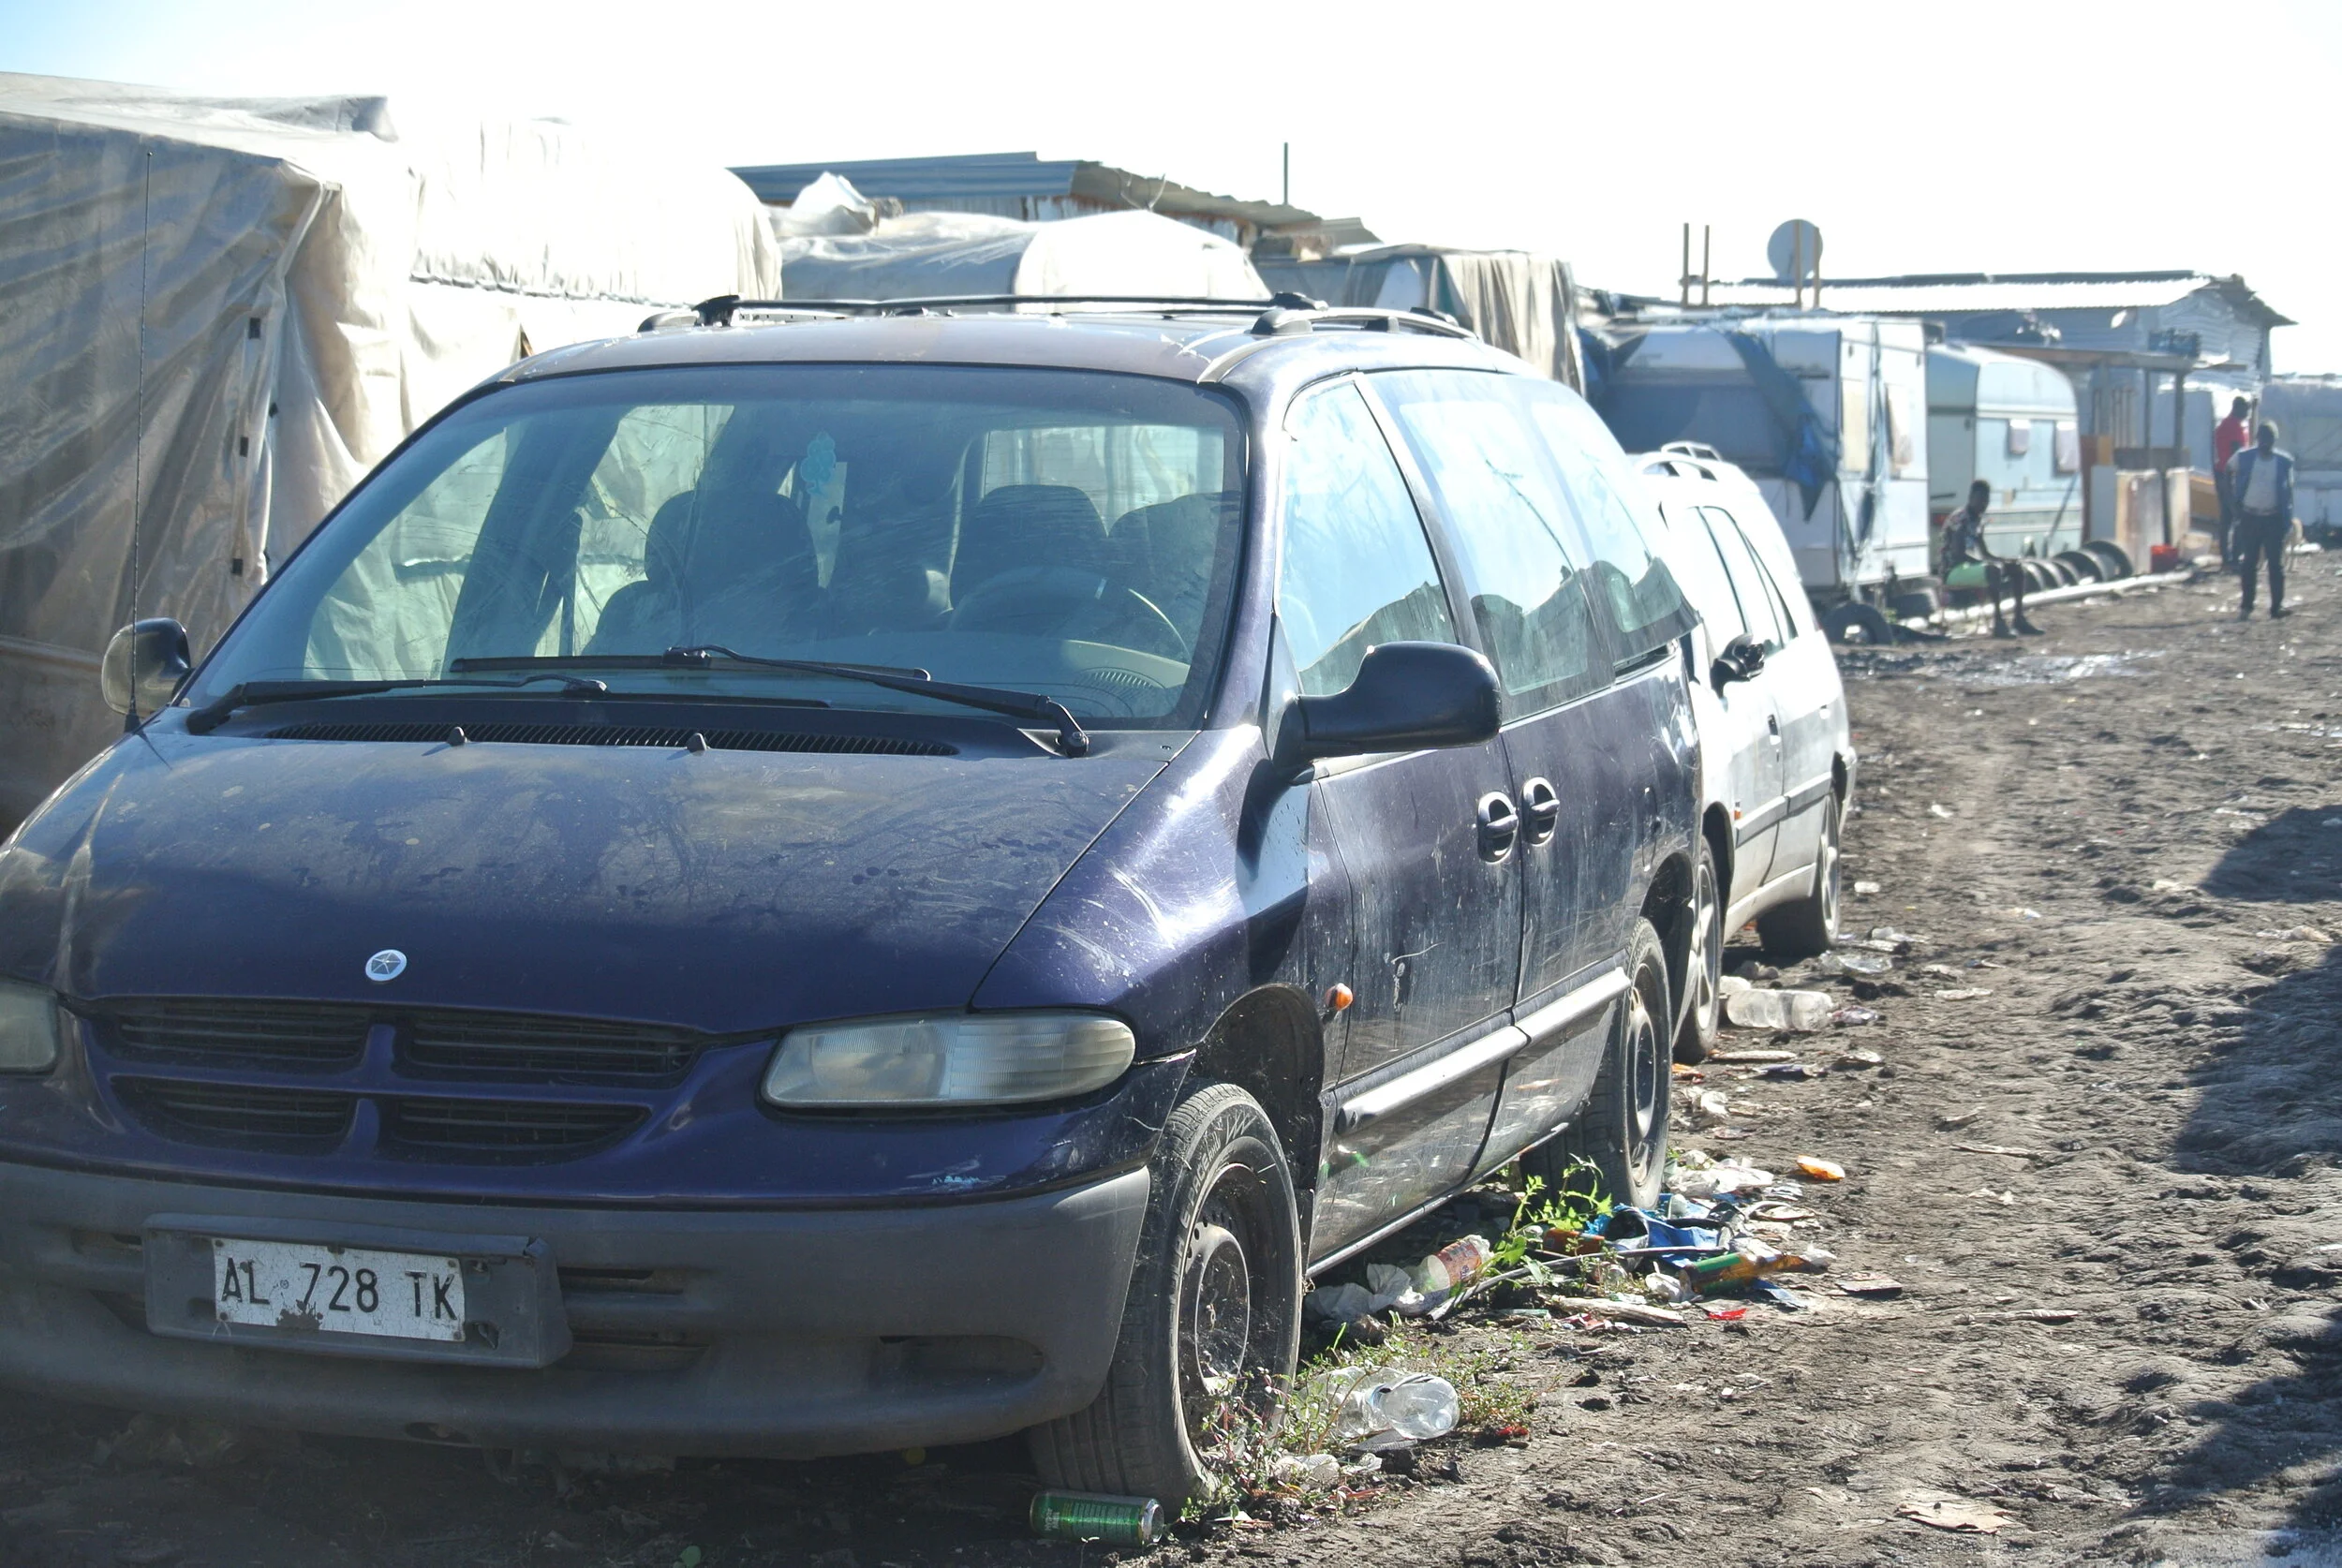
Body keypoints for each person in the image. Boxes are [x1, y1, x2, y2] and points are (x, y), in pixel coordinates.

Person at [1941, 479, 2039, 637]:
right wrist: (1987, 563)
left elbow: (1985, 553)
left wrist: (2004, 561)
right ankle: (1998, 622)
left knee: (2016, 569)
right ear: (1971, 498)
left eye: (1986, 500)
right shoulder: (1960, 519)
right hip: (1953, 571)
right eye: (1980, 499)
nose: (1983, 504)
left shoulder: (1978, 520)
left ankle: (2019, 619)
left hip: (1969, 567)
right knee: (1992, 570)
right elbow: (1958, 555)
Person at [2229, 420, 2294, 620]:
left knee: (2276, 565)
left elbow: (2289, 492)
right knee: (2249, 562)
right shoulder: (2244, 457)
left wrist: (2287, 519)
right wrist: (2232, 503)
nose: (2266, 442)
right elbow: (2226, 471)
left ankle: (2276, 607)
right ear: (2257, 438)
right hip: (2250, 516)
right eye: (2263, 438)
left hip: (2273, 518)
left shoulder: (2284, 462)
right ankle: (2246, 606)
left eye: (2270, 438)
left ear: (2275, 440)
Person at [2214, 395, 2253, 564]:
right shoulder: (2233, 427)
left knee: (2227, 516)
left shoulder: (2225, 425)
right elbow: (2237, 454)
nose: (2247, 413)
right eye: (2245, 410)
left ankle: (2227, 555)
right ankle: (2234, 555)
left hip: (2222, 472)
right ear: (2237, 408)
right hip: (2230, 475)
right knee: (2237, 514)